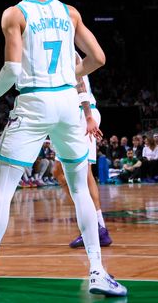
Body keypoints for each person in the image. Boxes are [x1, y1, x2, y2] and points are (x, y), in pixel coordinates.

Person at [0, 0, 126, 301]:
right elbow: (98, 58)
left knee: (3, 190)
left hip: (34, 103)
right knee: (80, 189)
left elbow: (12, 69)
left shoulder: (15, 14)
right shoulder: (69, 12)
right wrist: (69, 78)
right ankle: (99, 272)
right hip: (68, 105)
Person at [51, 56, 112, 248]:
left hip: (82, 114)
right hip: (72, 115)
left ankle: (97, 228)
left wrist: (87, 116)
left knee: (83, 174)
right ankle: (93, 225)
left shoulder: (66, 48)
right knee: (60, 174)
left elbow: (79, 83)